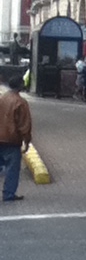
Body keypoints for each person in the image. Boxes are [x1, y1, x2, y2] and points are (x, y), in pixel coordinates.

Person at [0, 74, 32, 202]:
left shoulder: (2, 98)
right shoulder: (21, 102)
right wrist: (27, 141)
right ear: (21, 85)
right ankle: (8, 194)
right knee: (12, 169)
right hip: (12, 140)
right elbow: (24, 125)